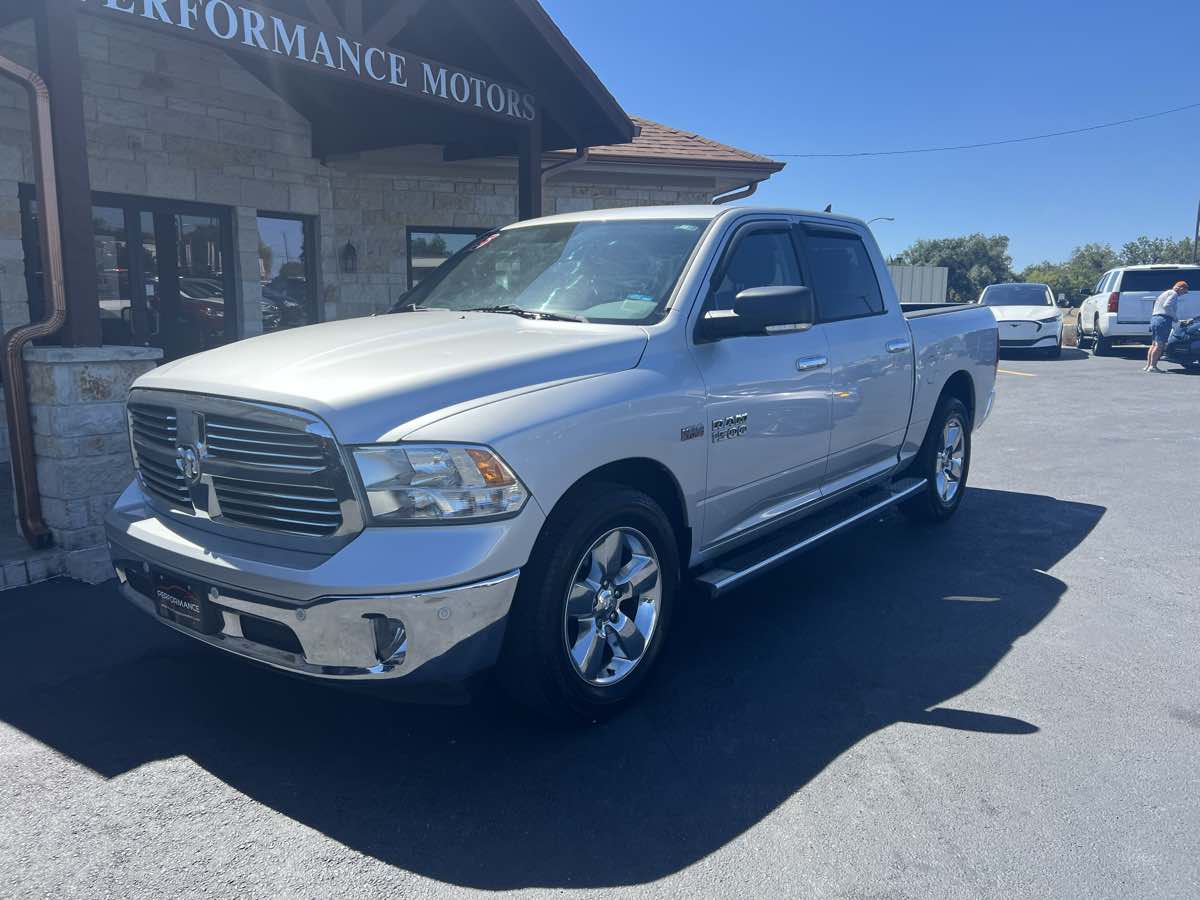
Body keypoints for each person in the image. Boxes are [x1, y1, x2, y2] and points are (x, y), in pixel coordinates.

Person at [1145, 280, 1188, 372]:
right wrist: (1175, 318)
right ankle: (1153, 366)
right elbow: (1167, 306)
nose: (1183, 294)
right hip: (1163, 320)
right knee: (1160, 345)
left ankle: (1148, 365)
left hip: (1155, 318)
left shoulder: (1165, 293)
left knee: (1154, 344)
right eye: (1184, 292)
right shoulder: (1174, 294)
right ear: (1180, 288)